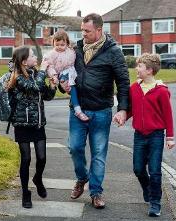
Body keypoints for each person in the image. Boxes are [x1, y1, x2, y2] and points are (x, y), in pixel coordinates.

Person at [60, 13, 130, 209]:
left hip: (101, 111)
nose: (83, 34)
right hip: (78, 110)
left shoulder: (114, 51)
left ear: (99, 30)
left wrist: (123, 109)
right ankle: (82, 178)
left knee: (99, 153)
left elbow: (123, 82)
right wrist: (62, 85)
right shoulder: (75, 50)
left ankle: (96, 192)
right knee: (74, 147)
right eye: (82, 30)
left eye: (87, 31)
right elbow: (65, 74)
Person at [7, 46, 57, 208]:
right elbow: (33, 87)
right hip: (22, 124)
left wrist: (53, 86)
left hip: (37, 123)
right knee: (26, 159)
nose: (36, 56)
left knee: (42, 157)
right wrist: (43, 71)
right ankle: (25, 193)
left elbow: (47, 96)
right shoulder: (17, 77)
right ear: (24, 61)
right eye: (32, 55)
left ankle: (38, 178)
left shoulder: (36, 74)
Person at [126, 53, 175, 217]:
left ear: (149, 70)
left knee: (155, 170)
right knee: (138, 169)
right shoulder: (134, 88)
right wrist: (123, 116)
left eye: (139, 66)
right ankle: (147, 188)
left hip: (156, 136)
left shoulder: (161, 91)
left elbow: (168, 115)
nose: (136, 68)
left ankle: (155, 203)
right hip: (139, 135)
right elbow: (132, 109)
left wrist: (170, 137)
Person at [43, 30, 89, 121]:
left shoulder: (71, 51)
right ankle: (77, 109)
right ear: (53, 43)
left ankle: (82, 104)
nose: (59, 47)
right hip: (61, 74)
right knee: (72, 89)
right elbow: (50, 67)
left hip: (72, 72)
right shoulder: (51, 54)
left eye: (62, 45)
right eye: (57, 45)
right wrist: (54, 76)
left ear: (67, 43)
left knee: (81, 85)